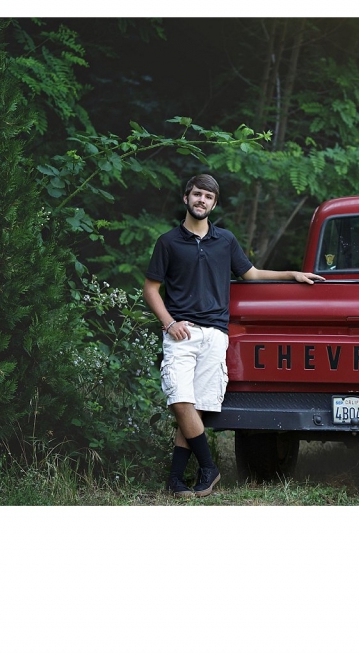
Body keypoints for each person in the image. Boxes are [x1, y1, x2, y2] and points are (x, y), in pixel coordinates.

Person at [143, 174, 323, 498]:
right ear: (186, 198)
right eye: (197, 194)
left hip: (214, 335)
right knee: (180, 401)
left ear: (214, 204)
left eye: (208, 197)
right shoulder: (168, 242)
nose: (202, 201)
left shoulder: (224, 240)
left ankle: (175, 480)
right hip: (181, 334)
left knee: (194, 409)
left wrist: (291, 274)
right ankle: (209, 467)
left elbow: (251, 274)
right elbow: (151, 289)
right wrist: (169, 323)